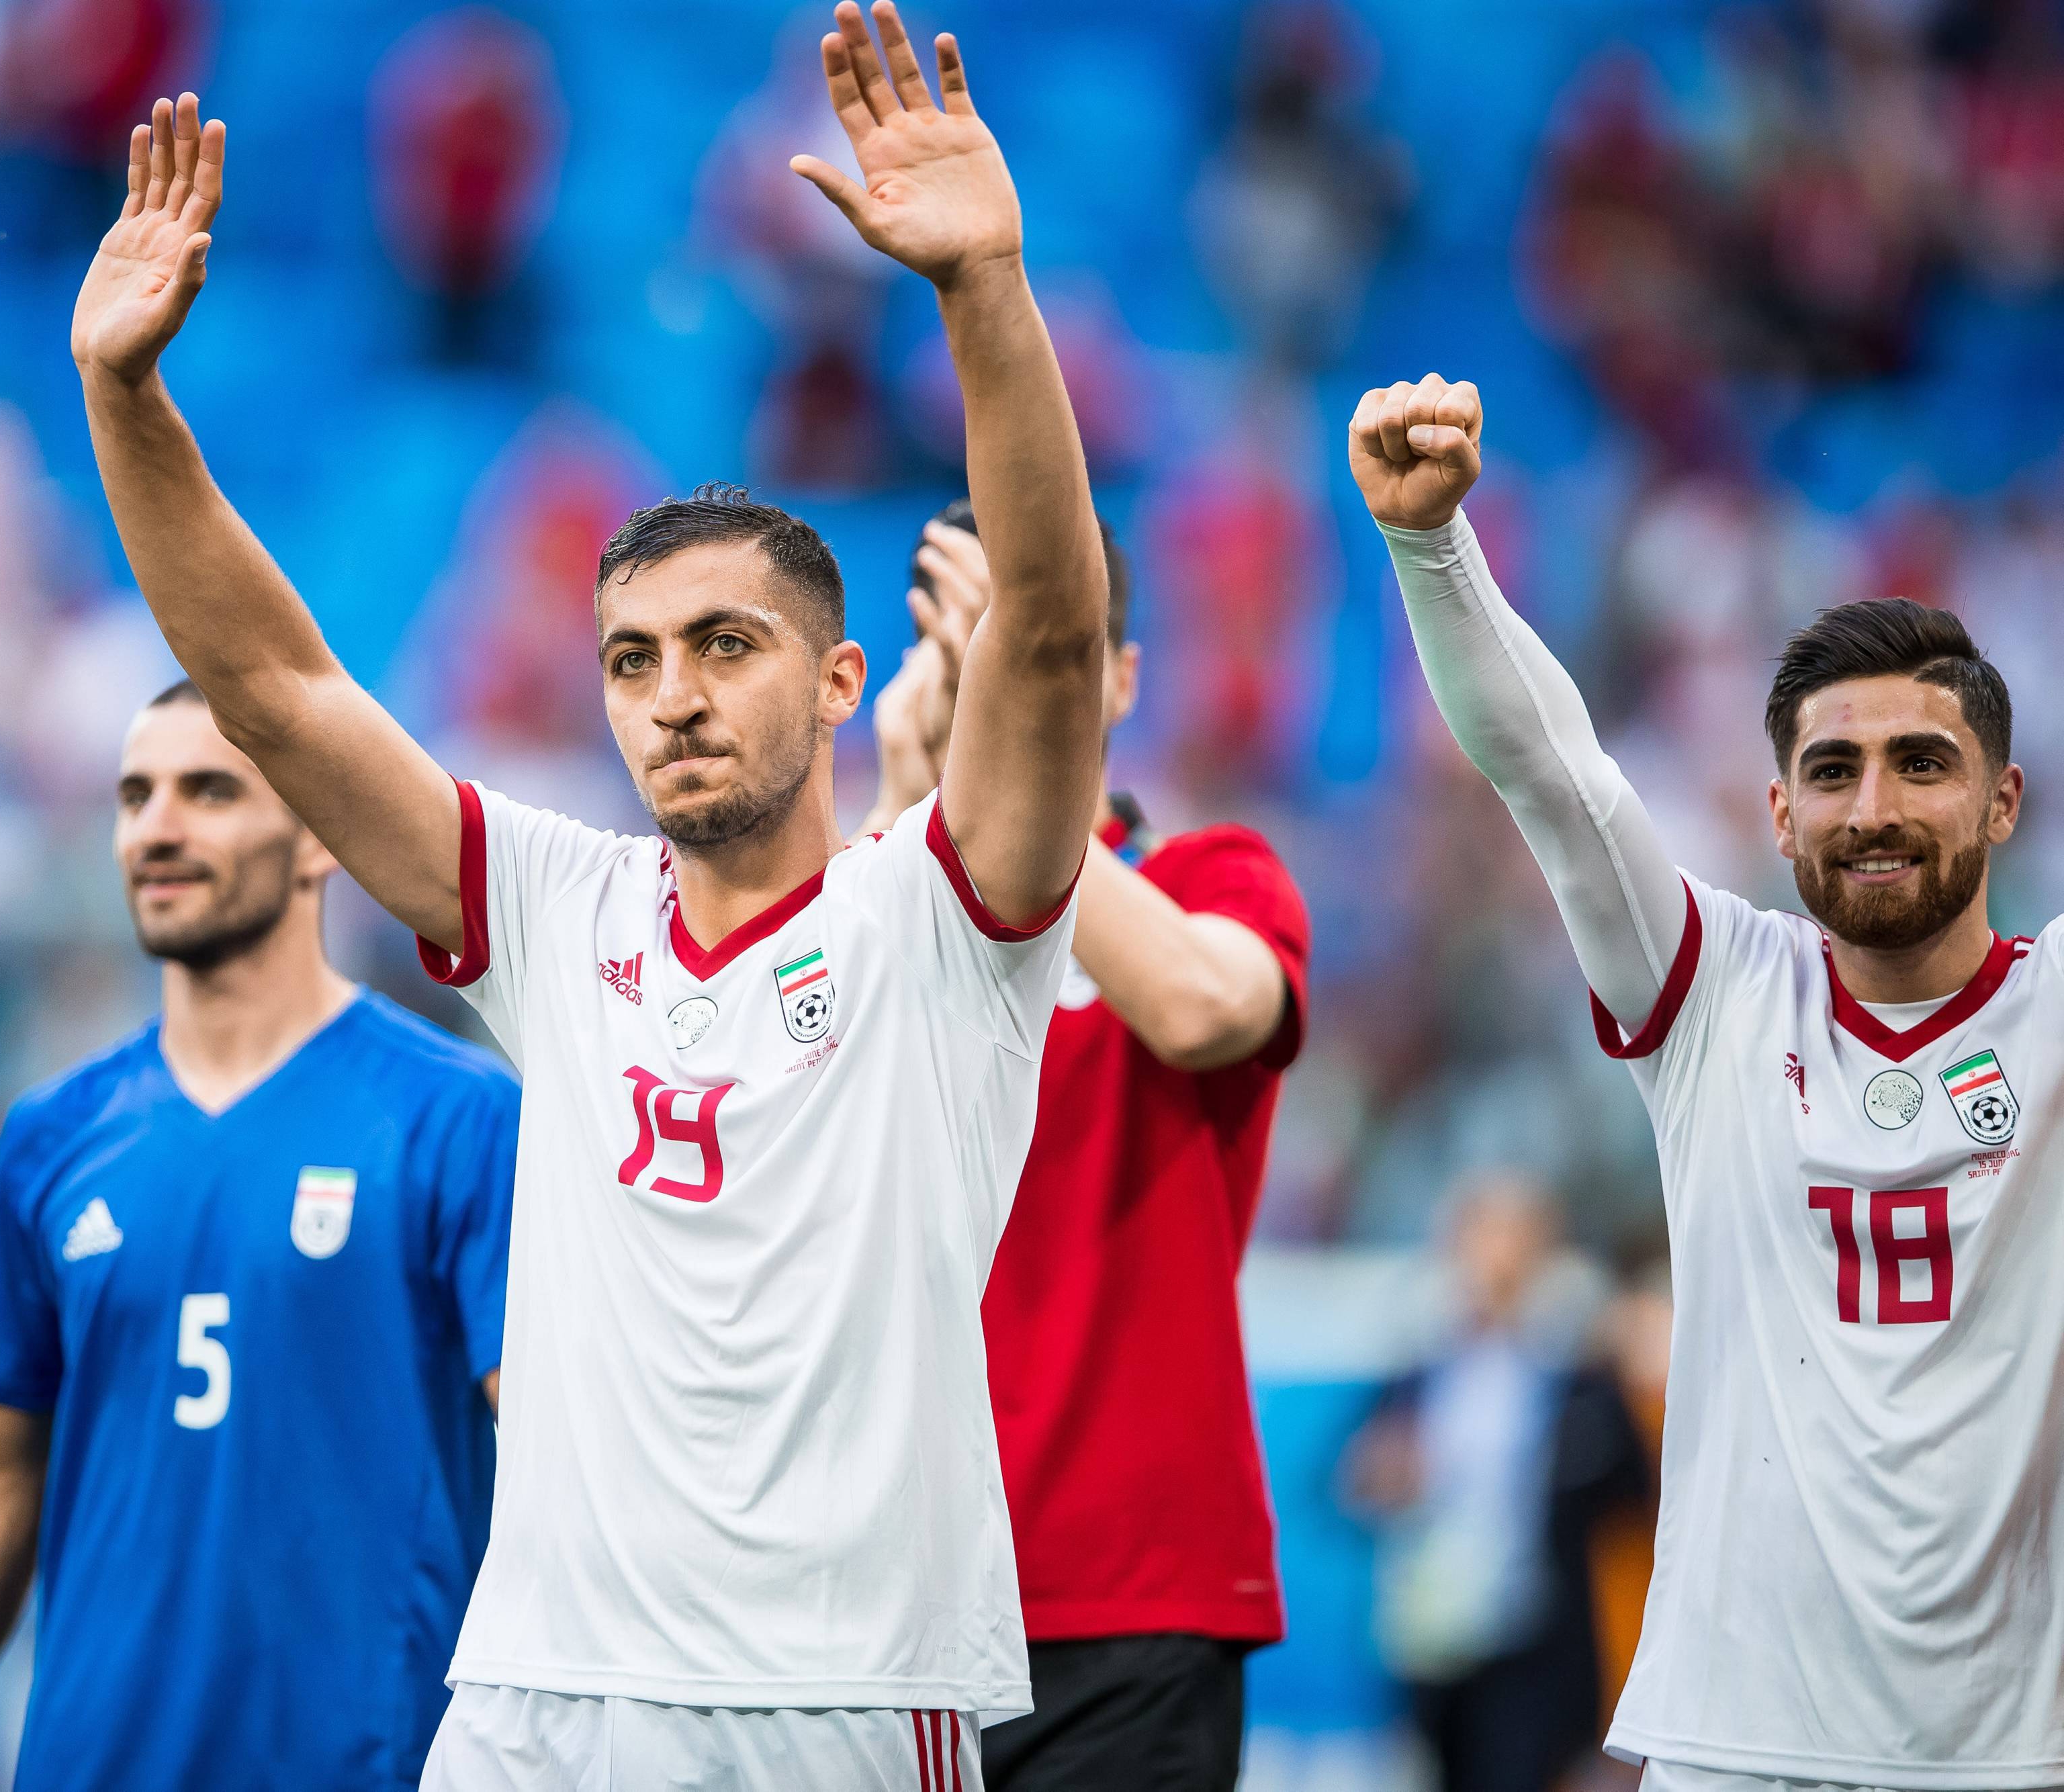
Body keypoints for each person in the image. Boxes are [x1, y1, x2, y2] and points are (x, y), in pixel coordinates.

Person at [67, 2, 1114, 1781]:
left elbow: (1055, 644)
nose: (675, 694)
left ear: (846, 680)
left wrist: (985, 294)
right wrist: (124, 392)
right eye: (633, 659)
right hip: (538, 1698)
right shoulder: (560, 908)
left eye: (726, 645)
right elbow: (278, 692)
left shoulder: (936, 923)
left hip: (837, 1696)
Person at [1351, 370, 2064, 1791]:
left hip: (2001, 1750)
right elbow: (1552, 774)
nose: (1871, 805)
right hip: (1729, 1744)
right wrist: (1430, 548)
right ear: (1774, 809)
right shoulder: (1717, 992)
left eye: (1920, 762)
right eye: (1833, 767)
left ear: (1999, 800)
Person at [0, 682, 519, 1791]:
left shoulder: (461, 1117)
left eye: (210, 790)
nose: (158, 826)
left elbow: (560, 1464)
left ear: (322, 834)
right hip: (91, 1761)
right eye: (135, 795)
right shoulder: (52, 1134)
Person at [861, 502, 1308, 1792]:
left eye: (1053, 650)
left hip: (1132, 1598)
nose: (1017, 682)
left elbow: (1203, 1004)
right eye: (985, 653)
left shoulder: (1218, 872)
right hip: (885, 1603)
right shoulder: (867, 885)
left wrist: (1000, 770)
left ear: (1119, 675)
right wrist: (917, 811)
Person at [1339, 1174, 1649, 1792]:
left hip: (1536, 1642)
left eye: (1516, 1236)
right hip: (1434, 1637)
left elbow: (1636, 1497)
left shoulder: (1580, 1375)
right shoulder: (1420, 1370)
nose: (1498, 1256)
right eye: (1484, 1234)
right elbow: (1349, 1480)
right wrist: (1378, 1475)